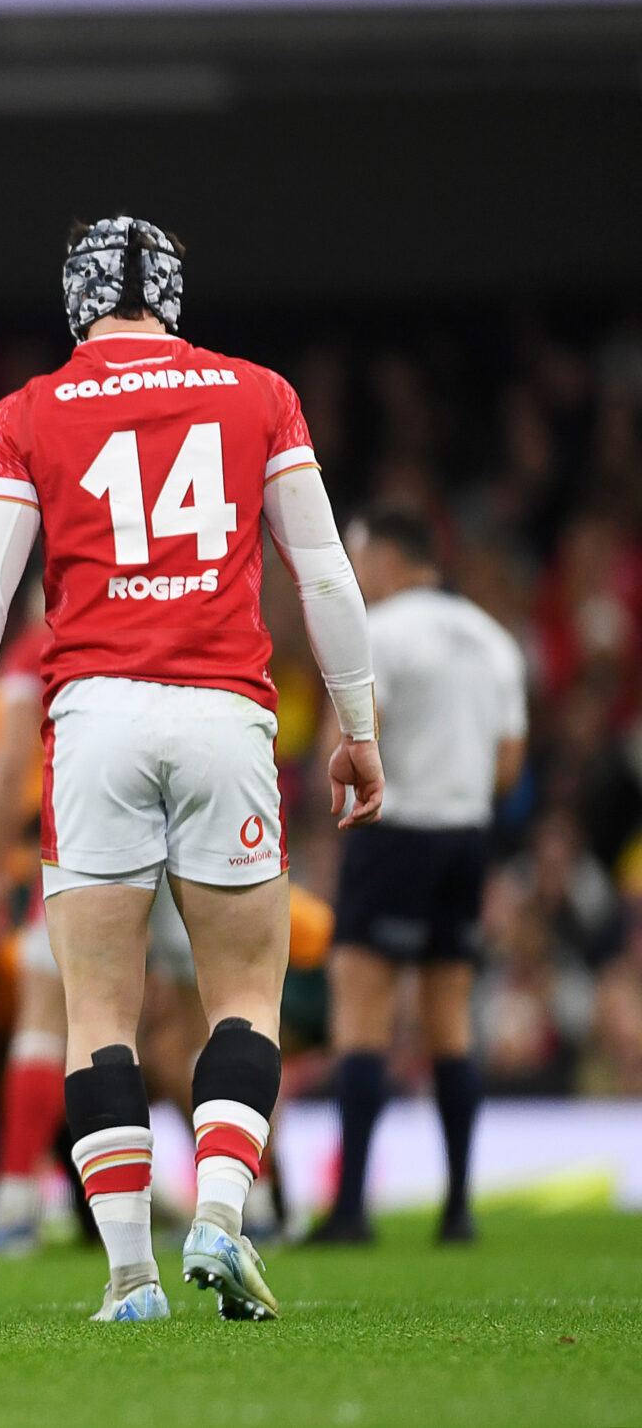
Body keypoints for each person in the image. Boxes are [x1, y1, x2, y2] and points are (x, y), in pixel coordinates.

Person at [0, 215, 383, 1323]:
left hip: (94, 719)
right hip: (223, 712)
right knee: (242, 999)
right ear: (171, 295)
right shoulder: (258, 394)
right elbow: (321, 574)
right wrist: (355, 725)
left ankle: (130, 1277)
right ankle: (219, 1214)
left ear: (73, 298)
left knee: (97, 1015)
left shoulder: (23, 415)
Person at [312, 504, 527, 1246]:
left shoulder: (382, 631)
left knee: (362, 1009)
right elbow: (508, 764)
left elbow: (351, 735)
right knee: (449, 1017)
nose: (359, 571)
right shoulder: (495, 641)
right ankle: (459, 1207)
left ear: (392, 560)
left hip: (393, 832)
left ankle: (350, 1210)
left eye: (363, 556)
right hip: (466, 835)